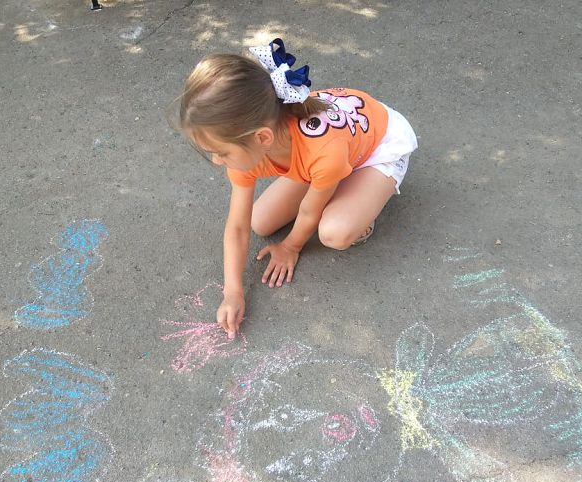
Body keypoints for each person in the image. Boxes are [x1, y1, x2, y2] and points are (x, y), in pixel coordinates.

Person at [176, 39, 417, 339]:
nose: (216, 161)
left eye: (221, 152)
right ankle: (332, 184)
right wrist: (232, 291)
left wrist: (290, 247)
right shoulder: (259, 143)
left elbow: (309, 212)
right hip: (327, 151)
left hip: (379, 143)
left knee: (335, 232)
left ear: (262, 138)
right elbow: (238, 226)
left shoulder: (323, 153)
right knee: (260, 221)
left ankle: (357, 198)